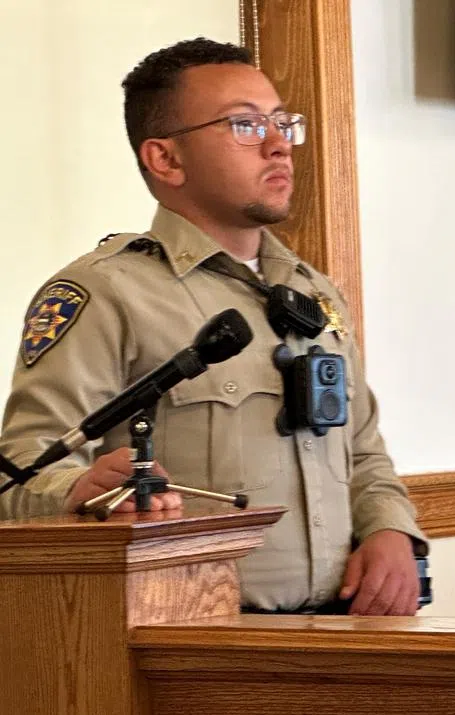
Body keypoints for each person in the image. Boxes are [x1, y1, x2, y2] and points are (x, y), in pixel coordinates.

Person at [0, 38, 426, 616]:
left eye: (282, 122)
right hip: (197, 636)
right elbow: (24, 471)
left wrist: (392, 532)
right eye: (245, 126)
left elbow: (364, 450)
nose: (279, 145)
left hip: (346, 628)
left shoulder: (314, 293)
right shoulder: (107, 292)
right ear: (165, 159)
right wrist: (79, 491)